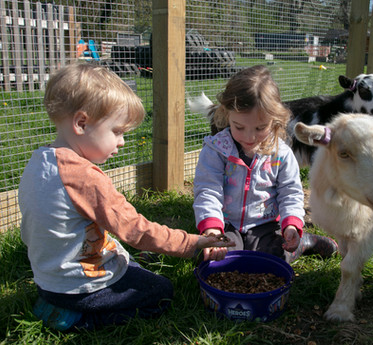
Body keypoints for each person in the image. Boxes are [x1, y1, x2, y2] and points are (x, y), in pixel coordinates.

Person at [18, 63, 235, 331]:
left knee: (127, 261)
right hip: (79, 286)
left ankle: (59, 302)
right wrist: (192, 242)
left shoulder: (39, 161)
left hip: (48, 279)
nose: (121, 141)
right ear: (81, 123)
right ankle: (78, 318)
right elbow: (135, 230)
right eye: (117, 131)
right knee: (160, 291)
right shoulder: (85, 178)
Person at [193, 64, 337, 263]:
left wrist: (291, 224)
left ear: (275, 120)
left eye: (260, 127)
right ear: (227, 115)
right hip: (227, 224)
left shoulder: (282, 153)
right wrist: (212, 228)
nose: (250, 137)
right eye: (239, 127)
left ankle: (304, 242)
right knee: (214, 256)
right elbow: (208, 190)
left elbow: (290, 192)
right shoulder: (216, 150)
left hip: (266, 225)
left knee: (275, 256)